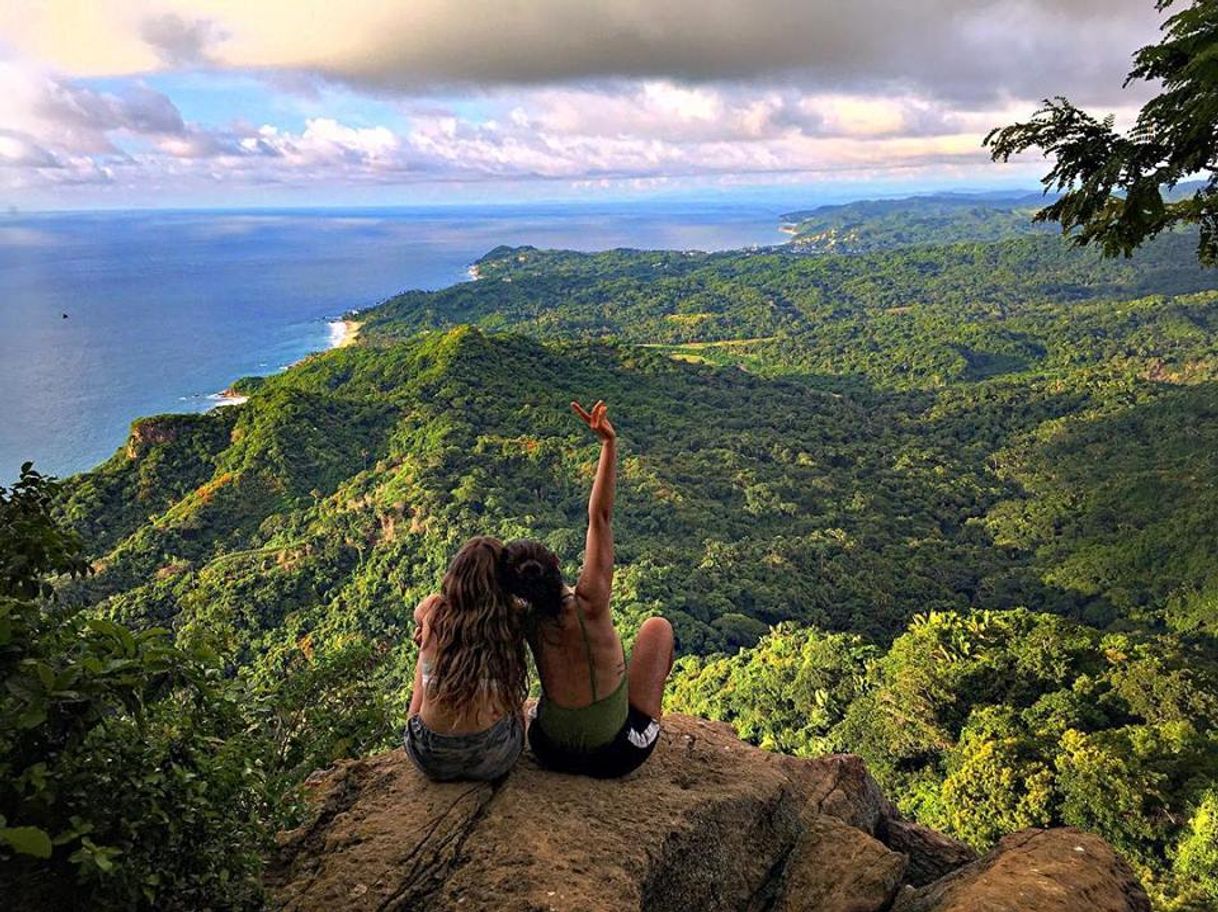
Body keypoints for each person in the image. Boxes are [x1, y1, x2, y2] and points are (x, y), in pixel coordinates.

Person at [503, 400, 675, 778]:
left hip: (549, 751)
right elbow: (600, 517)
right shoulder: (591, 603)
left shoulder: (518, 617)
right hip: (614, 756)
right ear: (555, 565)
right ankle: (642, 722)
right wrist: (608, 445)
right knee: (657, 629)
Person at [405, 535, 528, 781]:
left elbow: (419, 613)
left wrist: (430, 619)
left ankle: (415, 717)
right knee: (518, 703)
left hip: (429, 756)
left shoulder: (435, 614)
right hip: (492, 756)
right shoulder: (514, 620)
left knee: (425, 649)